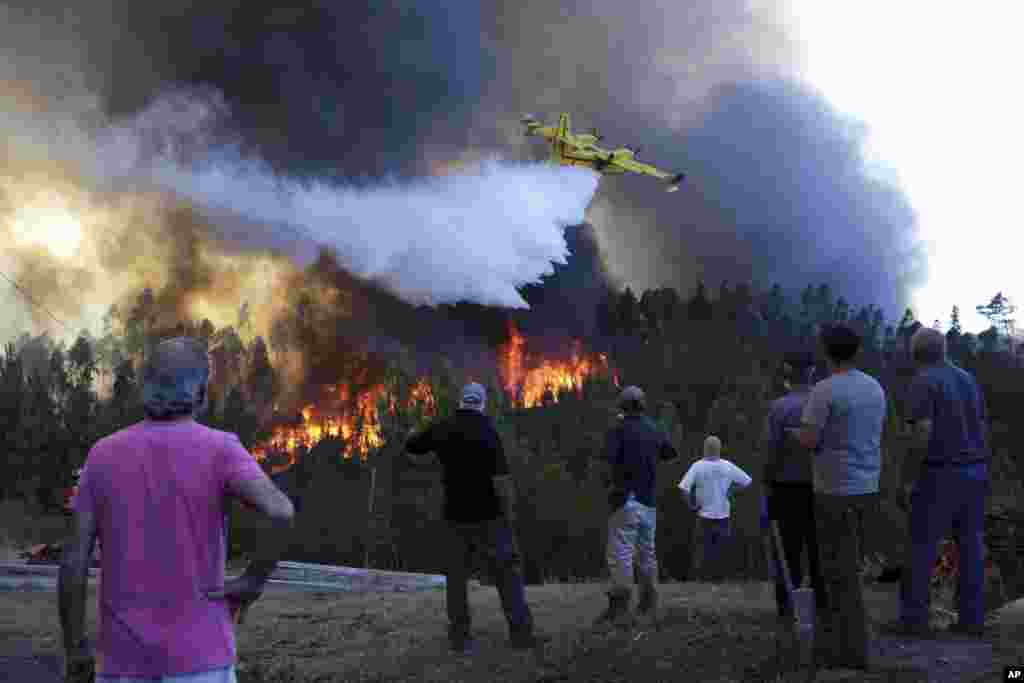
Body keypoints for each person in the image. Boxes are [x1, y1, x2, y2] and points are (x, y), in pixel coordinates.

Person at [59, 337, 295, 683]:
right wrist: (252, 582)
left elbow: (74, 561)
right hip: (202, 662)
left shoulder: (103, 454)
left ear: (145, 389)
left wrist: (76, 649)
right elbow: (280, 512)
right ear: (201, 392)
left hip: (124, 662)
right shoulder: (221, 449)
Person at [404, 382, 541, 654]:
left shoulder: (444, 426)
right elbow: (501, 480)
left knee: (456, 578)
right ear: (482, 403)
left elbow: (413, 446)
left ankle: (460, 639)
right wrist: (508, 514)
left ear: (462, 401)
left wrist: (412, 434)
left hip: (455, 516)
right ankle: (521, 635)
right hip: (490, 516)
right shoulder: (489, 433)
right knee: (506, 573)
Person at [797, 323, 886, 670]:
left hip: (835, 489)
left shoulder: (824, 390)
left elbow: (809, 440)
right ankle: (850, 646)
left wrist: (797, 435)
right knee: (854, 568)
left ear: (826, 351)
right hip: (868, 486)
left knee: (837, 572)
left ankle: (846, 652)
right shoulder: (874, 387)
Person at [894, 327, 991, 637]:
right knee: (971, 545)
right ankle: (972, 619)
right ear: (944, 350)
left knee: (922, 544)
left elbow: (921, 433)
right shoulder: (967, 379)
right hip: (976, 470)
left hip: (940, 472)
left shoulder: (924, 381)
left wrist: (908, 477)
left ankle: (914, 619)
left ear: (915, 354)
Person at [595, 386, 680, 629]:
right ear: (642, 405)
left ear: (622, 406)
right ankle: (649, 604)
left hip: (624, 500)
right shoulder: (653, 428)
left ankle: (620, 608)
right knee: (647, 554)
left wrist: (608, 487)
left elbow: (606, 461)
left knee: (620, 555)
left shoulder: (618, 430)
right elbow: (670, 452)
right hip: (648, 501)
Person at [760, 351, 827, 618]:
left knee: (787, 550)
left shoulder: (779, 408)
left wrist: (766, 483)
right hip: (821, 486)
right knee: (818, 549)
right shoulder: (824, 403)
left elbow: (771, 450)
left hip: (786, 487)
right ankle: (822, 606)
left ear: (788, 375)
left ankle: (787, 606)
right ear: (812, 373)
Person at [679, 435, 752, 582]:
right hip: (723, 515)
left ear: (704, 449)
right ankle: (719, 581)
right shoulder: (728, 466)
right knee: (722, 551)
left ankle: (701, 580)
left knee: (702, 551)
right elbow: (747, 481)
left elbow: (684, 488)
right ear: (720, 449)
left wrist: (691, 505)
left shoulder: (697, 466)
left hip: (703, 515)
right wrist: (731, 492)